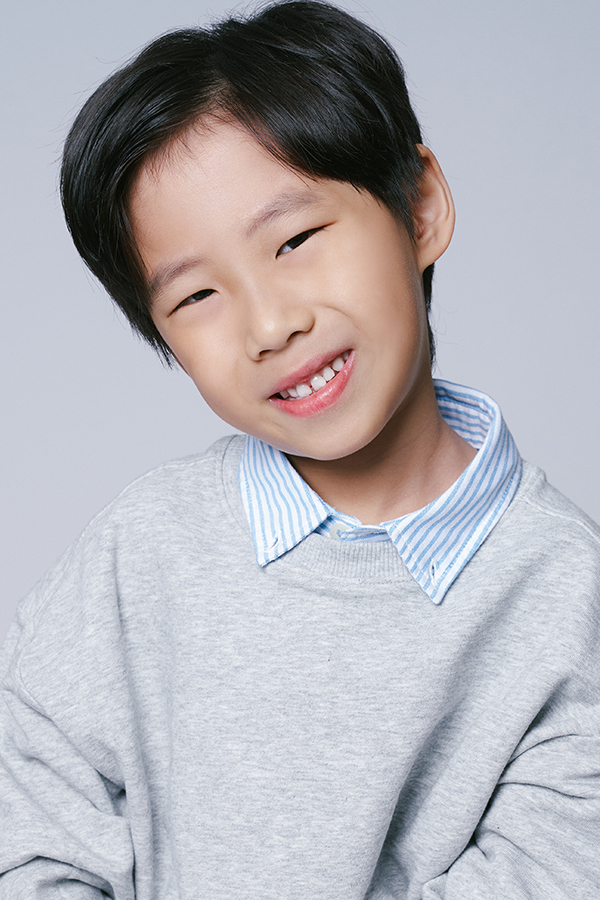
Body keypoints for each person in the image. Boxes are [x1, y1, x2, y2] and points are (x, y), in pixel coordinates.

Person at [1, 1, 599, 897]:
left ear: (421, 207)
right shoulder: (141, 551)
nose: (270, 325)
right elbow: (29, 829)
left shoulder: (568, 599)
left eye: (295, 241)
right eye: (196, 297)